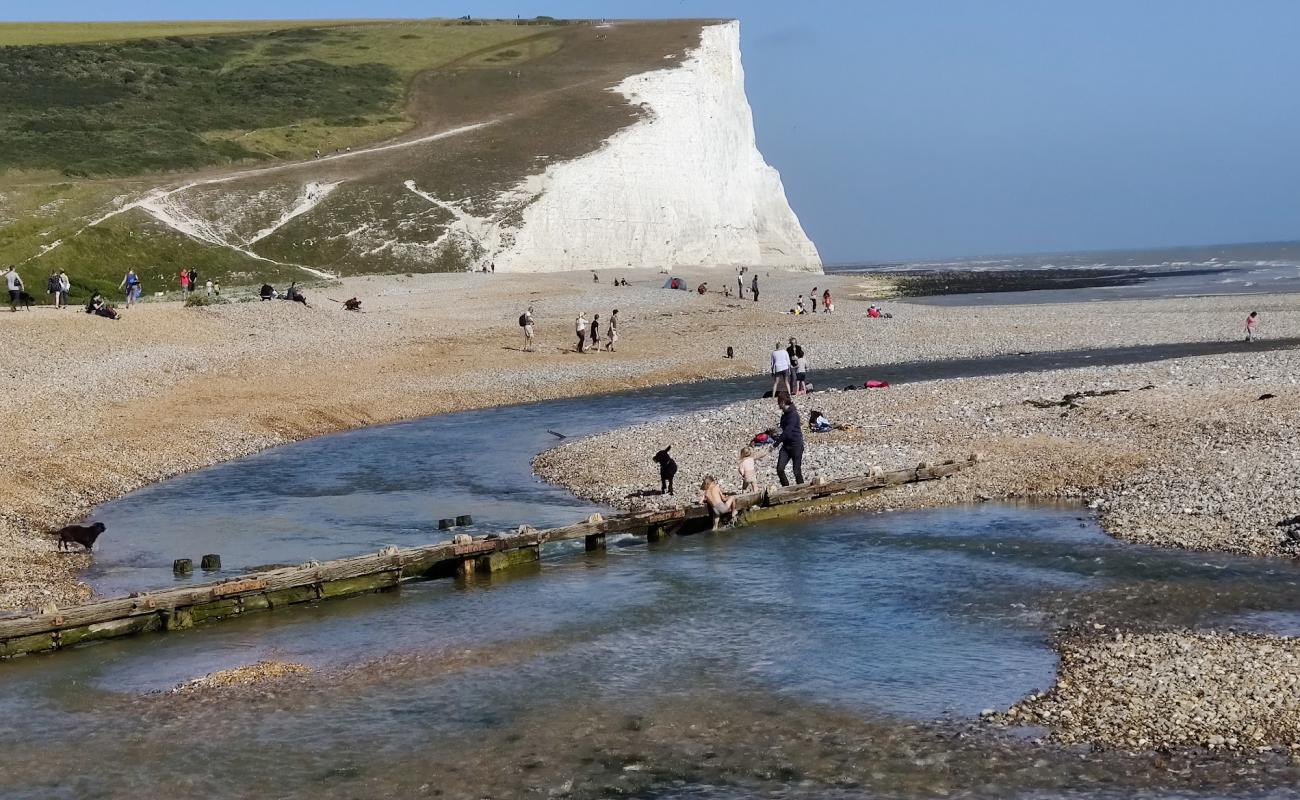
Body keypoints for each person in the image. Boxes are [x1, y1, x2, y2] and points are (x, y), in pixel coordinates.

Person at [771, 391, 805, 486]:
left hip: (796, 445)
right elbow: (783, 430)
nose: (778, 404)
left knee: (796, 471)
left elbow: (787, 432)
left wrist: (776, 444)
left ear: (782, 402)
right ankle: (786, 488)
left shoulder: (793, 415)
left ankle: (802, 490)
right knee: (780, 469)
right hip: (786, 446)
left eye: (778, 402)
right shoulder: (784, 415)